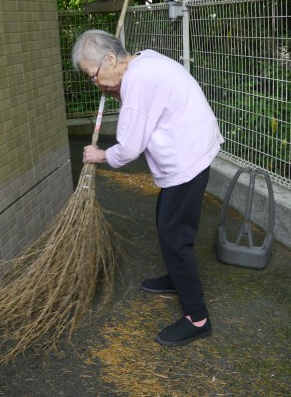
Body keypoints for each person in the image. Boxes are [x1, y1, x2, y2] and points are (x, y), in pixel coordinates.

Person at [71, 30, 224, 346]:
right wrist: (117, 90)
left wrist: (100, 155)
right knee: (166, 222)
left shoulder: (138, 80)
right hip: (190, 147)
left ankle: (198, 318)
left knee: (174, 238)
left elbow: (129, 147)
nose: (95, 82)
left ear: (110, 59)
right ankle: (177, 278)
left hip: (187, 158)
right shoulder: (143, 62)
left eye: (93, 74)